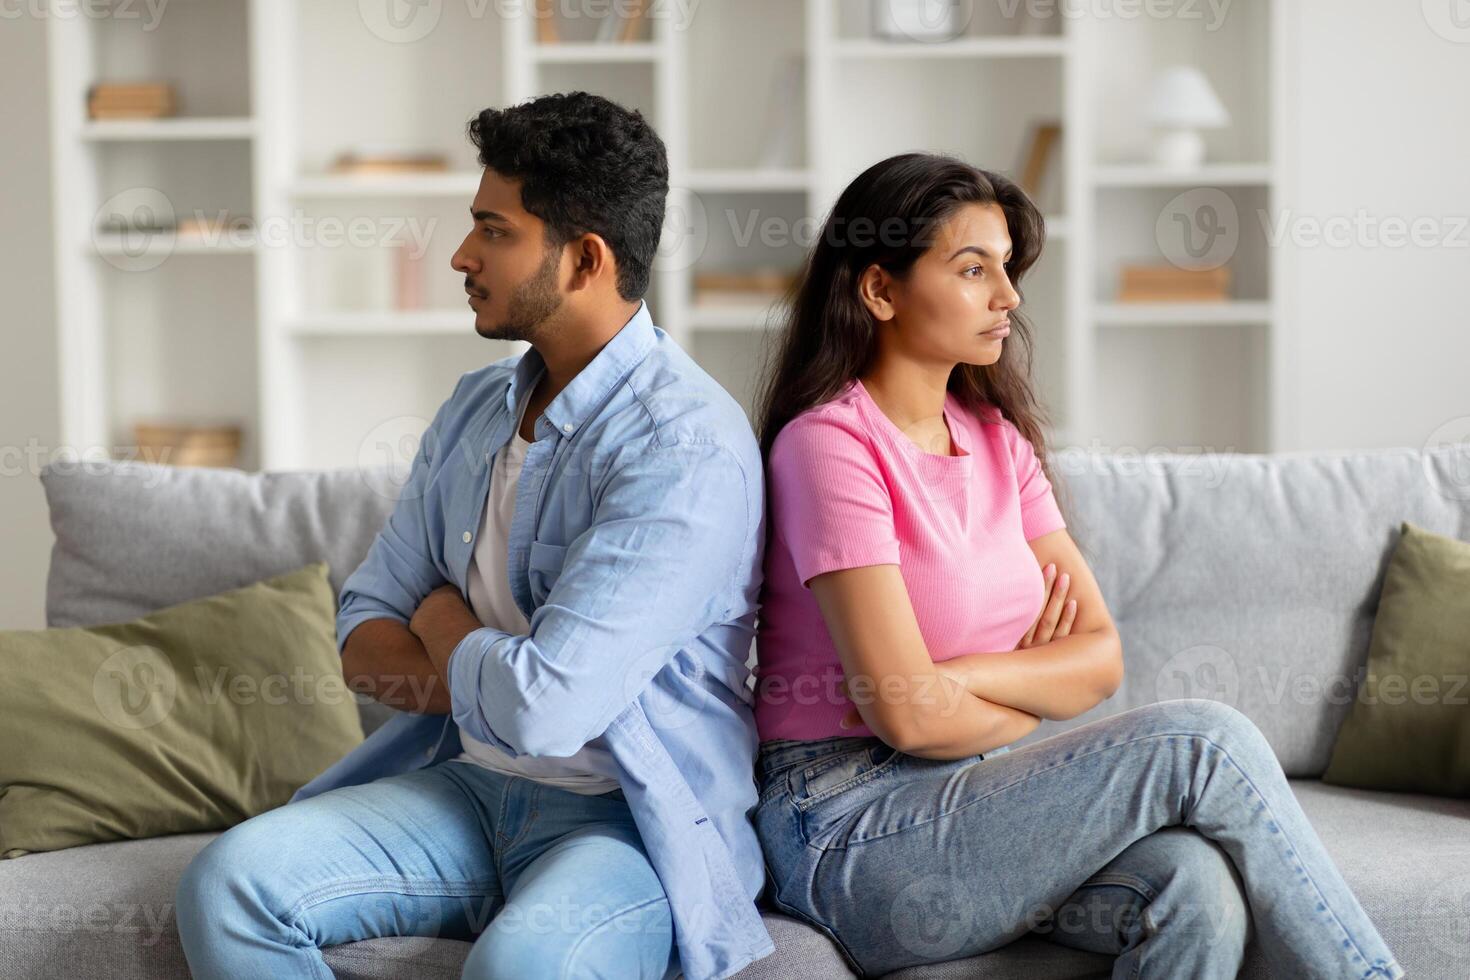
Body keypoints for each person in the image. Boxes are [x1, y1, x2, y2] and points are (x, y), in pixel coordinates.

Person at [748, 151, 1403, 979]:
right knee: (1204, 740)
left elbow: (1098, 660)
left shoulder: (998, 441)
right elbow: (908, 719)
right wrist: (1024, 685)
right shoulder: (828, 448)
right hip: (848, 825)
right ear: (880, 290)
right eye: (973, 268)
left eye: (1008, 269)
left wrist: (965, 675)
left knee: (1196, 888)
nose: (1009, 298)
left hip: (981, 792)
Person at [174, 92, 774, 980]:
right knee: (228, 884)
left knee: (521, 968)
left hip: (626, 824)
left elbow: (549, 709)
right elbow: (366, 625)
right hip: (468, 788)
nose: (462, 255)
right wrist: (497, 677)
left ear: (586, 259)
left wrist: (449, 630)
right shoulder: (474, 410)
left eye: (493, 231)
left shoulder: (684, 448)